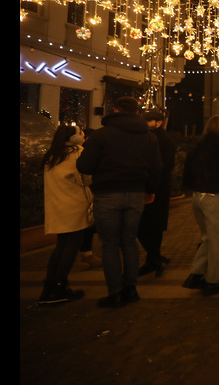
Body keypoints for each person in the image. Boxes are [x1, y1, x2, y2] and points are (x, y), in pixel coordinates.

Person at [76, 96, 161, 308]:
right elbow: (156, 167)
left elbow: (84, 165)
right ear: (137, 112)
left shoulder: (103, 135)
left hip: (107, 193)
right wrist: (149, 190)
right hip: (135, 194)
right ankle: (131, 289)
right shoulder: (149, 137)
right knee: (129, 241)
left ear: (115, 109)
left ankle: (114, 292)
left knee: (110, 244)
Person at [181, 116, 219, 297]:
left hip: (197, 196)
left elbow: (187, 169)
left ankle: (196, 274)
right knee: (217, 240)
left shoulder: (198, 145)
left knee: (207, 237)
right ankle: (216, 280)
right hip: (213, 195)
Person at [39, 125, 93, 304]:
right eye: (81, 134)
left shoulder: (53, 155)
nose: (83, 136)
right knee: (71, 247)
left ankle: (50, 287)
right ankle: (59, 288)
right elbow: (85, 178)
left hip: (56, 206)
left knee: (61, 247)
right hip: (74, 205)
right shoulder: (77, 153)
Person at [138, 110, 175, 277]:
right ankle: (154, 258)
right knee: (151, 226)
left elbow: (163, 165)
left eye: (149, 120)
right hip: (156, 187)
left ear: (158, 122)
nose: (146, 123)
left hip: (155, 189)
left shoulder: (160, 139)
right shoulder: (152, 137)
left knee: (148, 225)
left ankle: (153, 258)